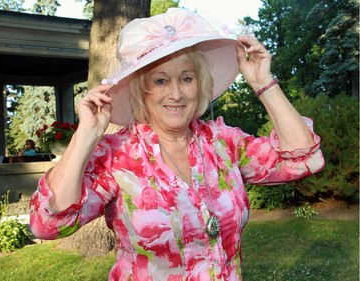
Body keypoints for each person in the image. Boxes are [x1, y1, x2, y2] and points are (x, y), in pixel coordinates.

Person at [29, 8, 325, 280]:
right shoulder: (118, 155)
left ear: (200, 84)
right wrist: (86, 134)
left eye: (186, 78)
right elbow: (48, 224)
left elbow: (303, 159)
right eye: (160, 81)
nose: (176, 94)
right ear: (141, 92)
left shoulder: (223, 142)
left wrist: (263, 83)